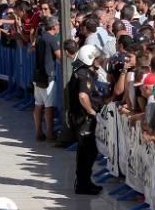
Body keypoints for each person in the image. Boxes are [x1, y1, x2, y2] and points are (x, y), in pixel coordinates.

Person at [67, 45, 106, 195]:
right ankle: (83, 184)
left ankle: (85, 182)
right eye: (95, 58)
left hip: (82, 118)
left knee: (88, 152)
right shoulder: (83, 75)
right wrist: (91, 111)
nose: (98, 61)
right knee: (86, 152)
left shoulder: (83, 72)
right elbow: (83, 96)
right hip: (85, 120)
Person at [33, 15, 61, 142]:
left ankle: (38, 131)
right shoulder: (51, 39)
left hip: (37, 74)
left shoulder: (40, 37)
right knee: (49, 106)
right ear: (54, 26)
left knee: (38, 104)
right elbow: (59, 55)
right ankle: (50, 133)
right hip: (48, 75)